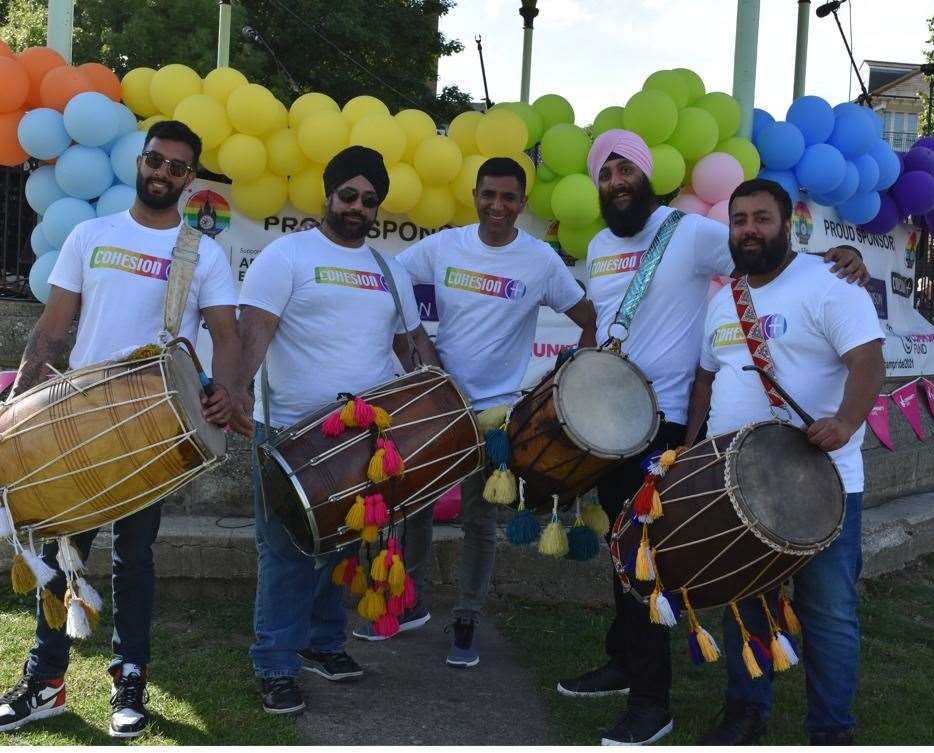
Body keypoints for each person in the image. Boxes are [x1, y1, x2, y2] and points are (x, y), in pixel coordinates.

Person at [554, 129, 870, 746]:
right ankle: (644, 670)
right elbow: (705, 347)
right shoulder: (598, 244)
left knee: (816, 608)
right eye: (606, 174)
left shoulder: (694, 233)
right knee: (641, 561)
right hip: (626, 426)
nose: (616, 182)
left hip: (673, 425)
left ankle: (663, 704)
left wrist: (843, 256)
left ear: (647, 176)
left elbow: (773, 265)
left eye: (626, 170)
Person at [0, 120, 245, 738]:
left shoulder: (202, 252)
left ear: (191, 180)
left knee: (136, 556)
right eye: (156, 160)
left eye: (178, 167)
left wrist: (230, 392)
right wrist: (19, 399)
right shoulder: (91, 234)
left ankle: (129, 676)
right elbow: (54, 330)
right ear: (141, 161)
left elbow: (226, 330)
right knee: (62, 548)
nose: (163, 173)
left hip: (152, 429)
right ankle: (45, 680)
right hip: (77, 414)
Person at [351, 156, 597, 668]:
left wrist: (569, 379)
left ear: (522, 203)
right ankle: (411, 603)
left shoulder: (541, 261)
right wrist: (414, 347)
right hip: (438, 404)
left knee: (478, 522)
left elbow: (587, 317)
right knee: (412, 507)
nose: (497, 206)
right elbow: (391, 280)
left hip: (497, 416)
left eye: (509, 198)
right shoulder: (445, 245)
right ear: (476, 195)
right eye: (489, 195)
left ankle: (467, 617)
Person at [235, 146, 440, 714]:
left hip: (364, 439)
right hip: (290, 434)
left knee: (344, 544)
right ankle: (275, 662)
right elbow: (254, 335)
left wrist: (442, 392)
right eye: (348, 195)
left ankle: (323, 645)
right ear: (327, 195)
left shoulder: (388, 269)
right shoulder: (287, 255)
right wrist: (232, 399)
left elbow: (411, 346)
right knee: (286, 551)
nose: (357, 207)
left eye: (369, 200)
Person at [686, 178, 885, 745]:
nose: (749, 229)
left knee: (828, 615)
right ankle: (746, 713)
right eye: (740, 219)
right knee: (746, 603)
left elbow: (868, 364)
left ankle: (830, 730)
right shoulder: (725, 300)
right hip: (736, 487)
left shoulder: (830, 284)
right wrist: (693, 451)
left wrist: (846, 423)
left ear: (788, 224)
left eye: (761, 218)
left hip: (820, 485)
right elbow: (706, 379)